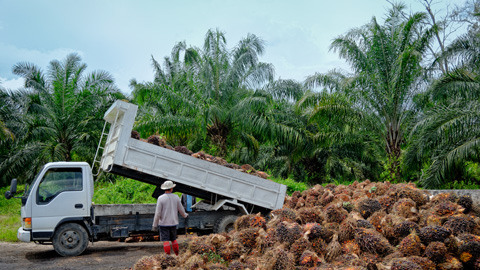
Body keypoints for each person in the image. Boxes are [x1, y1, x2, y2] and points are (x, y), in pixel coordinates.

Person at [152, 180, 188, 256]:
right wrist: (185, 215)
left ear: (164, 188)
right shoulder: (176, 197)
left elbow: (158, 213)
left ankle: (168, 256)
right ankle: (177, 255)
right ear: (171, 188)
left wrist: (154, 225)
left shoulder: (161, 198)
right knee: (174, 239)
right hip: (173, 223)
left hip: (163, 223)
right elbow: (181, 209)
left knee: (165, 240)